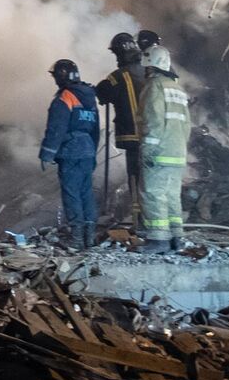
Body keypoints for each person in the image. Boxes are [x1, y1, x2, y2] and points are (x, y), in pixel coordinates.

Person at [135, 40, 190, 253]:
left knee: (152, 193)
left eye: (146, 66)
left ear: (151, 66)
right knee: (171, 195)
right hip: (177, 152)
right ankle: (177, 237)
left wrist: (147, 149)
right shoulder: (177, 89)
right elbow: (186, 123)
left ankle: (158, 240)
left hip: (159, 152)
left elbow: (153, 120)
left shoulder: (154, 87)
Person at [39, 59, 101, 249]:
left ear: (60, 77)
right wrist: (93, 152)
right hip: (88, 150)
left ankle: (76, 239)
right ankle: (89, 238)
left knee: (71, 193)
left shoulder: (65, 97)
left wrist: (47, 154)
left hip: (71, 151)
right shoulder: (89, 98)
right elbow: (96, 130)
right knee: (86, 193)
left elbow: (56, 128)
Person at [95, 32, 145, 228]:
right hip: (154, 138)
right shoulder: (149, 72)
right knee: (149, 180)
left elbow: (103, 92)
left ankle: (140, 222)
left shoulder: (118, 77)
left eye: (116, 54)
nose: (116, 58)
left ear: (121, 53)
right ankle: (154, 222)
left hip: (132, 136)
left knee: (135, 179)